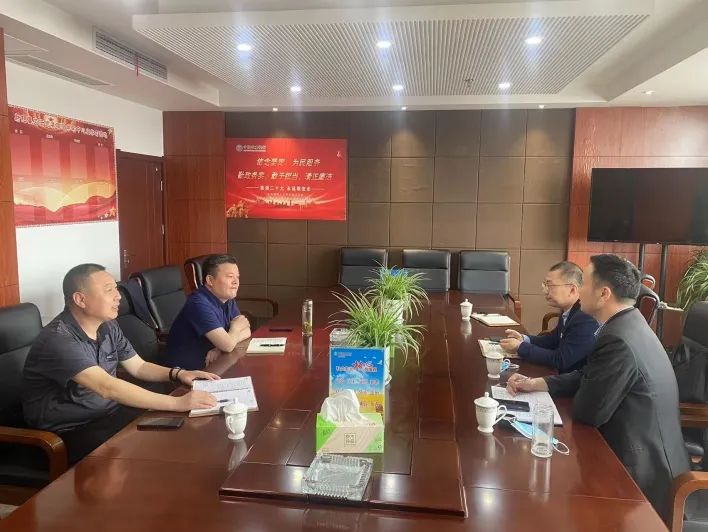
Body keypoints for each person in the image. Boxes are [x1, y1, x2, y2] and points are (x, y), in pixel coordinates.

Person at [506, 254, 690, 521]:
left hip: (642, 480)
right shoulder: (627, 324)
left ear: (604, 294)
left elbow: (588, 412)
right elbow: (590, 373)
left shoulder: (618, 339)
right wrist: (540, 383)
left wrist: (563, 388)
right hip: (638, 457)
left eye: (584, 284)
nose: (578, 291)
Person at [22, 264, 219, 465]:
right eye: (109, 290)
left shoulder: (107, 325)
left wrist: (178, 373)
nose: (118, 297)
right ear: (80, 299)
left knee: (176, 430)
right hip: (68, 432)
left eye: (116, 288)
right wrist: (177, 402)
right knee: (146, 456)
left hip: (109, 415)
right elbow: (106, 387)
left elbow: (138, 367)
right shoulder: (58, 339)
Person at [500, 261, 598, 372]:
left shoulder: (585, 318)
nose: (545, 291)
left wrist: (520, 347)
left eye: (550, 285)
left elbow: (561, 360)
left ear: (572, 290)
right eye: (545, 285)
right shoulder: (570, 309)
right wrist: (524, 339)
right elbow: (553, 339)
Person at [166, 254, 251, 370]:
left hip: (215, 366)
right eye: (230, 277)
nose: (236, 282)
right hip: (186, 373)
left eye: (237, 277)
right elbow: (228, 344)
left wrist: (220, 347)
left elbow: (246, 330)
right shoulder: (198, 304)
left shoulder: (226, 297)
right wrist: (235, 329)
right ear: (210, 280)